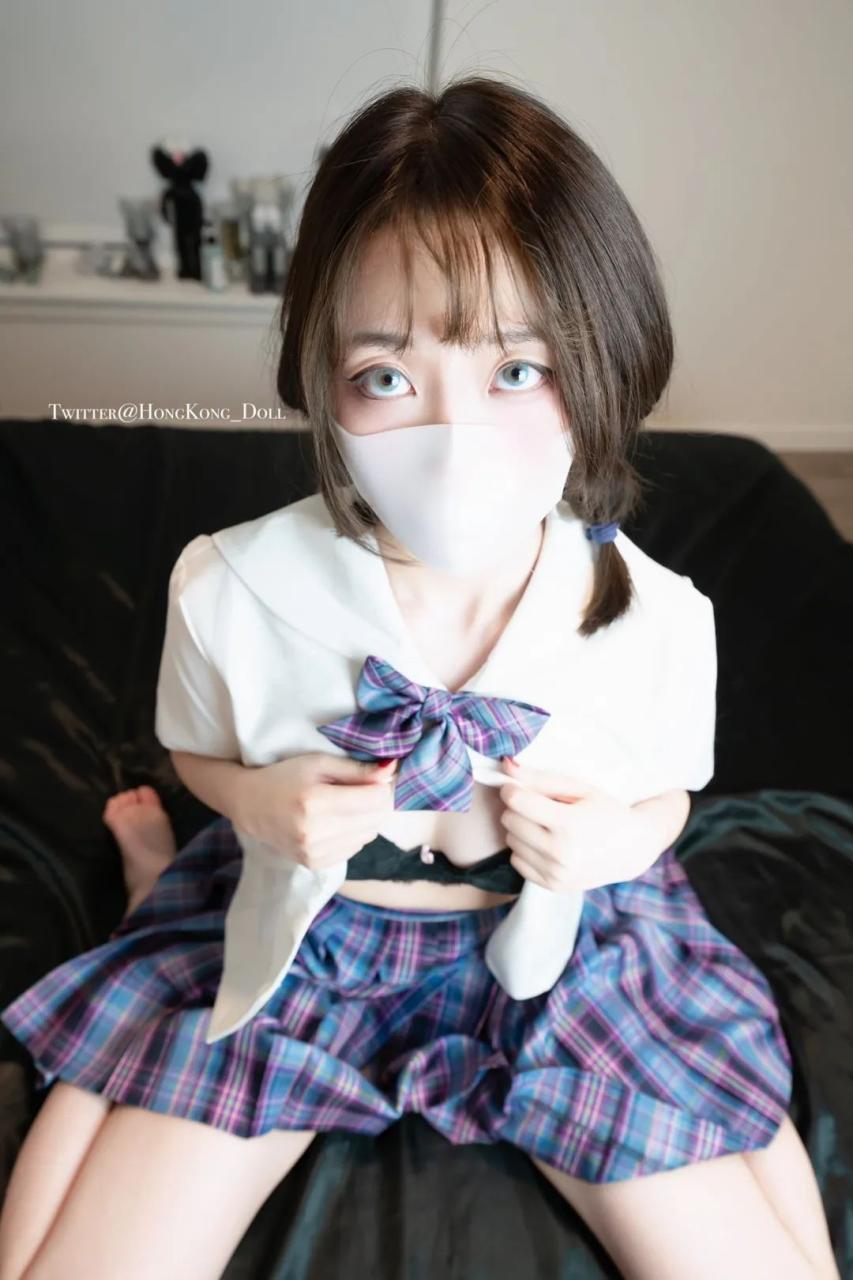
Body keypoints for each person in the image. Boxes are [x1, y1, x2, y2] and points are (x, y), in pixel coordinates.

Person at [0, 75, 839, 1280]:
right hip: (312, 931)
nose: (455, 440)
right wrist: (254, 801)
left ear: (602, 358)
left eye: (517, 371)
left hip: (560, 944)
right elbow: (194, 747)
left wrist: (612, 841)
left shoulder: (657, 617)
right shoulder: (231, 586)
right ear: (322, 379)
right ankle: (164, 886)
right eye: (387, 377)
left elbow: (669, 793)